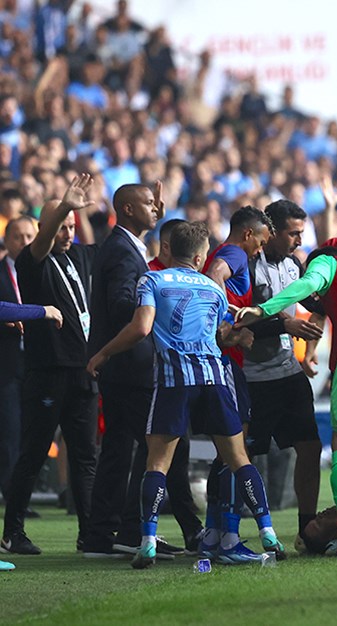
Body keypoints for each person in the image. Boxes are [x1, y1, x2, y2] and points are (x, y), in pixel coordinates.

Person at [87, 222, 285, 568]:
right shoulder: (212, 287)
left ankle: (147, 541)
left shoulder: (152, 280)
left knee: (157, 464)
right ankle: (268, 531)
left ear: (169, 250)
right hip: (215, 380)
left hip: (174, 380)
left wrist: (103, 353)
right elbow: (222, 333)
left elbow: (142, 328)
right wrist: (237, 338)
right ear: (199, 256)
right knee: (239, 459)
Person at [84, 182, 201, 559]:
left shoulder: (124, 245)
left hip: (121, 367)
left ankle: (101, 536)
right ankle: (134, 530)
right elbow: (121, 304)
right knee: (159, 449)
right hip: (132, 367)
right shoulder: (121, 251)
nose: (155, 208)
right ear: (128, 209)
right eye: (148, 204)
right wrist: (152, 308)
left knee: (119, 449)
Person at [2, 176, 99, 556]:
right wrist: (62, 209)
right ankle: (13, 532)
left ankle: (90, 532)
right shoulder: (32, 262)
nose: (67, 234)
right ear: (47, 228)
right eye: (62, 227)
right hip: (48, 371)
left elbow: (102, 246)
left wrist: (75, 213)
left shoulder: (78, 257)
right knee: (34, 451)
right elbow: (41, 244)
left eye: (72, 227)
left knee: (85, 456)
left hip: (83, 370)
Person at [241, 200, 324, 552]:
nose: (298, 241)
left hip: (289, 373)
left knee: (309, 446)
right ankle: (223, 527)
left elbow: (318, 305)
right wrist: (283, 324)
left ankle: (307, 529)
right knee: (239, 456)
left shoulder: (294, 264)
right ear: (270, 231)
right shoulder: (246, 265)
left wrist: (312, 346)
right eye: (293, 233)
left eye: (302, 234)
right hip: (252, 378)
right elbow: (235, 322)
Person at [200, 205, 272, 563]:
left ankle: (213, 533)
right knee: (235, 450)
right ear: (248, 235)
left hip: (219, 364)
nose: (260, 250)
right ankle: (229, 538)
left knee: (226, 452)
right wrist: (225, 328)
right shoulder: (233, 254)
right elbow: (215, 275)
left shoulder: (222, 251)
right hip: (226, 363)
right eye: (260, 242)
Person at [0, 217, 38, 505]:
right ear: (7, 240)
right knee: (10, 431)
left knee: (33, 430)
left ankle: (23, 494)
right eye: (18, 236)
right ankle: (12, 495)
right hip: (8, 364)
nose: (24, 242)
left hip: (40, 362)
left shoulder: (45, 270)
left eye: (29, 236)